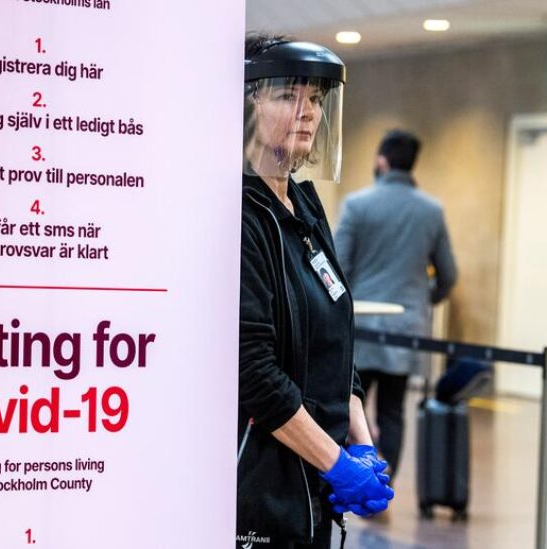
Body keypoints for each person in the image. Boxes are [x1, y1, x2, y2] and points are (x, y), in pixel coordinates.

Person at [237, 34, 394, 549]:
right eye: (287, 97)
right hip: (260, 489)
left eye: (317, 100)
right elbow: (253, 370)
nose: (307, 113)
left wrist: (361, 447)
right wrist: (336, 462)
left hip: (313, 485)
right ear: (245, 104)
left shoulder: (305, 209)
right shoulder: (239, 214)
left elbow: (336, 339)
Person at [334, 129, 458, 483]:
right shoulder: (431, 211)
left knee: (350, 406)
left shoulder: (358, 205)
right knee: (392, 411)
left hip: (362, 325)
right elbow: (448, 274)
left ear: (381, 161)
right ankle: (384, 485)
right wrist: (423, 299)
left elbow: (337, 267)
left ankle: (353, 480)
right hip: (407, 330)